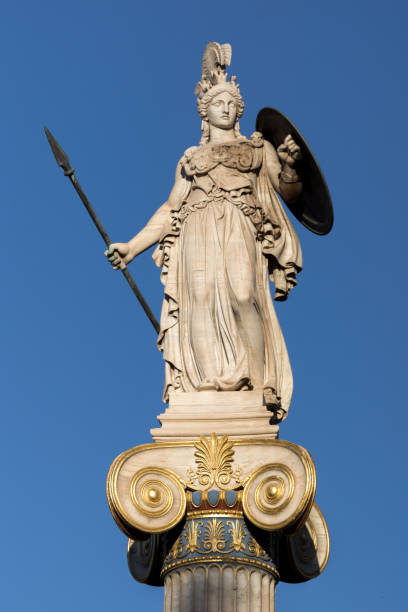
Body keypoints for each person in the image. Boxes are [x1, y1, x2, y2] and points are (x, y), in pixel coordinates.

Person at [105, 42, 303, 421]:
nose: (225, 108)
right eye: (218, 104)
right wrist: (133, 246)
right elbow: (170, 209)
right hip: (195, 227)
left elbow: (288, 191)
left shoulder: (257, 149)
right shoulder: (190, 159)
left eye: (231, 103)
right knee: (197, 297)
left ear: (239, 110)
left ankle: (259, 382)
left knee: (244, 295)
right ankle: (207, 381)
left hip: (239, 223)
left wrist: (292, 167)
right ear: (204, 111)